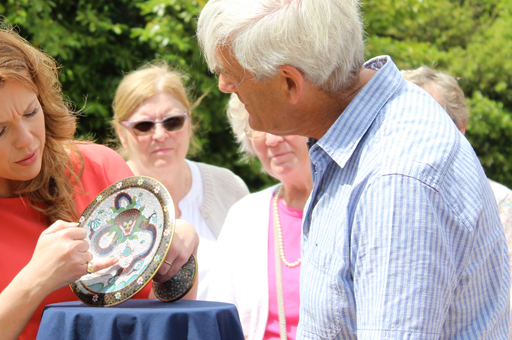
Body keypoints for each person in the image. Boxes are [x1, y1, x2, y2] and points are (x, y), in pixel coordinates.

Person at [197, 0, 509, 338]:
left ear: (290, 82)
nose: (224, 85)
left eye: (232, 72)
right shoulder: (371, 131)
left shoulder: (395, 179)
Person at [0, 28, 199, 340]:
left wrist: (179, 257)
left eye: (31, 112)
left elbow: (165, 319)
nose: (27, 140)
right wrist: (35, 280)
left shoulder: (99, 166)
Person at [111, 63, 249, 299]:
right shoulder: (110, 199)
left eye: (172, 121)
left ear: (189, 123)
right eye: (143, 126)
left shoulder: (229, 186)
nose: (160, 135)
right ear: (122, 135)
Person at [402, 65, 512, 333]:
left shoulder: (501, 205)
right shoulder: (380, 201)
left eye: (427, 120)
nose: (411, 133)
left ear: (459, 128)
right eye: (403, 121)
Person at [207, 93, 311, 340]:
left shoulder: (347, 206)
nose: (272, 139)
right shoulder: (244, 215)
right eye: (259, 126)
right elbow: (218, 319)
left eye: (282, 122)